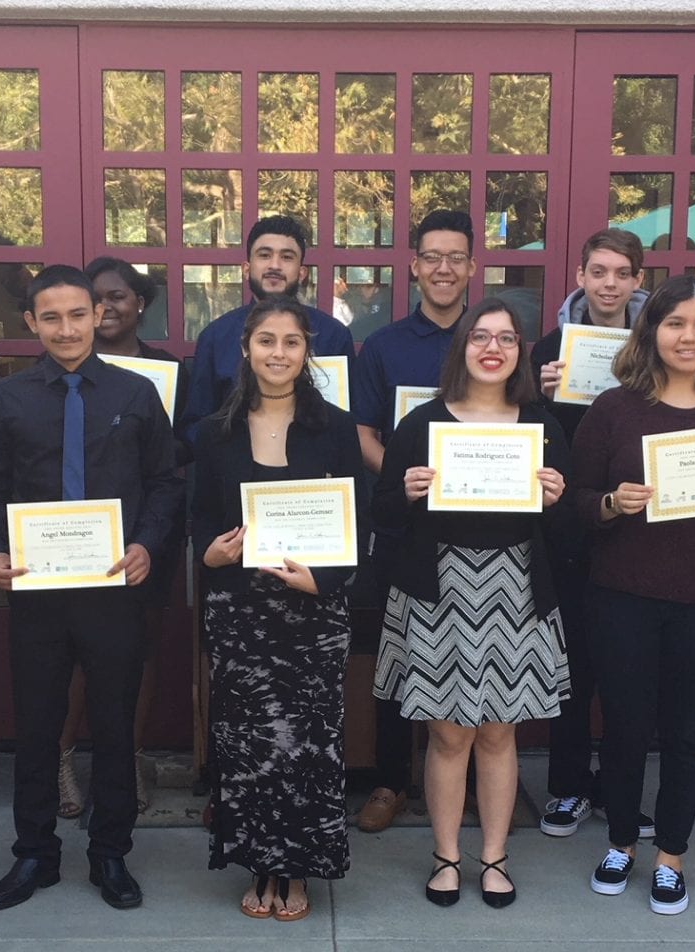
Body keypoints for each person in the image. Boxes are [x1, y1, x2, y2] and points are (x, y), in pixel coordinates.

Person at [0, 266, 183, 912]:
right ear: (31, 324)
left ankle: (110, 852)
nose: (67, 329)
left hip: (113, 589)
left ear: (99, 317)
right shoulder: (9, 400)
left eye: (78, 315)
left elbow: (167, 481)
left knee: (115, 726)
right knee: (36, 725)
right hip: (36, 591)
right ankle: (34, 852)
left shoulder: (137, 393)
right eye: (51, 318)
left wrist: (146, 543)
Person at [569, 276, 695, 915]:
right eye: (674, 323)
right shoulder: (614, 408)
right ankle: (623, 841)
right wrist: (610, 503)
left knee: (686, 731)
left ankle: (672, 856)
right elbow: (573, 504)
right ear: (651, 331)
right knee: (626, 725)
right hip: (623, 592)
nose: (688, 336)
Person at [374, 299, 571, 910]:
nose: (493, 347)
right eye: (480, 337)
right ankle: (445, 856)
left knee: (498, 733)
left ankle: (494, 856)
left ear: (520, 352)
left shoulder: (543, 425)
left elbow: (568, 539)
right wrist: (405, 493)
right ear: (461, 350)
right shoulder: (422, 423)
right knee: (449, 734)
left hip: (514, 586)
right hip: (439, 589)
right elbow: (379, 516)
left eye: (506, 338)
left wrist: (557, 499)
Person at [191, 297, 364, 921]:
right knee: (249, 744)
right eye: (266, 340)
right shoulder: (213, 433)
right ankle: (261, 863)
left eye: (291, 342)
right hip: (241, 611)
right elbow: (199, 524)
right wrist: (209, 555)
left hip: (312, 613)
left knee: (309, 745)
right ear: (246, 349)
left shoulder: (337, 429)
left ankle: (298, 868)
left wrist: (322, 581)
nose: (278, 353)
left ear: (306, 351)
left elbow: (357, 525)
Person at [349, 208, 477, 833]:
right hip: (406, 525)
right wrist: (403, 481)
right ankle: (390, 780)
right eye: (432, 257)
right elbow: (364, 434)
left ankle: (467, 782)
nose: (444, 268)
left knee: (476, 653)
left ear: (473, 266)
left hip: (485, 531)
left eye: (456, 257)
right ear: (413, 265)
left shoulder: (492, 339)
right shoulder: (384, 346)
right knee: (395, 656)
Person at [530, 227, 652, 839]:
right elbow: (526, 430)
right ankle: (568, 786)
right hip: (572, 522)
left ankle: (622, 788)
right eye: (598, 271)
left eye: (621, 273)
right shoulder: (551, 347)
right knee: (573, 662)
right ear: (579, 275)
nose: (608, 283)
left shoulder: (661, 346)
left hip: (640, 520)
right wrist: (541, 394)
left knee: (632, 667)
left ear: (637, 281)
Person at [53, 255, 186, 819]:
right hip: (65, 540)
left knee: (139, 651)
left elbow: (174, 455)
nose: (106, 309)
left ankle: (126, 759)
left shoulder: (163, 372)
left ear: (141, 304)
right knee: (70, 658)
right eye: (95, 299)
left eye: (117, 297)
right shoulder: (53, 372)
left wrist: (150, 538)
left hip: (140, 537)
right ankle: (61, 759)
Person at [183, 215, 354, 442]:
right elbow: (195, 425)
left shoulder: (333, 334)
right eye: (264, 255)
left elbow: (349, 423)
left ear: (302, 273)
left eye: (286, 257)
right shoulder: (215, 336)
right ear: (246, 269)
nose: (274, 265)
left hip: (313, 474)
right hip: (235, 470)